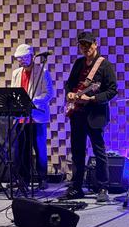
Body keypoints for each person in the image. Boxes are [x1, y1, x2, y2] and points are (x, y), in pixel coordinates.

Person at [61, 31, 117, 202]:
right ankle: (76, 187)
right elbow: (70, 84)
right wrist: (69, 93)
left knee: (99, 151)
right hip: (77, 113)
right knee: (77, 151)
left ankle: (103, 187)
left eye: (88, 44)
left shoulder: (105, 65)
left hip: (95, 114)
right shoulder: (78, 63)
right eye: (82, 45)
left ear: (95, 44)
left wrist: (92, 98)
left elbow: (112, 90)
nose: (85, 48)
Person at [11, 43, 54, 190]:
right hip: (21, 116)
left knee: (39, 149)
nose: (22, 61)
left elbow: (49, 93)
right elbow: (14, 92)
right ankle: (23, 179)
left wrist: (34, 101)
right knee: (22, 149)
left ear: (31, 57)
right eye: (19, 59)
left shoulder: (42, 72)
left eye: (24, 58)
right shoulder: (16, 73)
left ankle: (42, 178)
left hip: (37, 117)